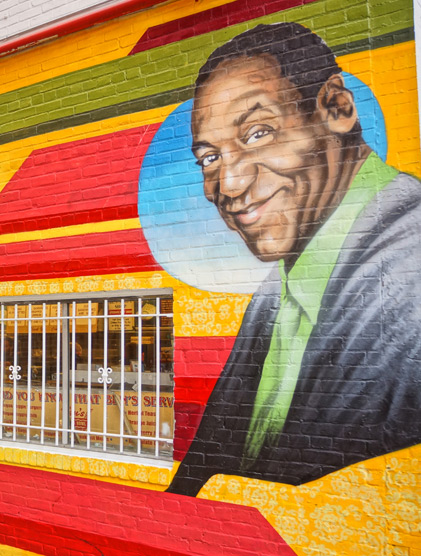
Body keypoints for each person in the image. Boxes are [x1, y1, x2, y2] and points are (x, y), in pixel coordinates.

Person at [167, 22, 421, 496]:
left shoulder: (409, 271)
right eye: (209, 158)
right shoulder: (283, 289)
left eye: (258, 133)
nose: (229, 185)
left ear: (336, 108)